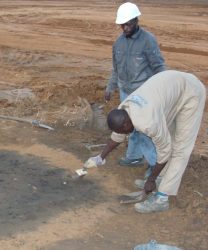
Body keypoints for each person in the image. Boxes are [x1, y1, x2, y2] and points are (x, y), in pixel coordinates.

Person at [85, 70, 206, 213]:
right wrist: (100, 157)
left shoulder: (148, 123)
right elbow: (118, 135)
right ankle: (161, 180)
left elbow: (165, 151)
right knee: (169, 139)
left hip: (190, 94)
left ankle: (162, 198)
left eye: (124, 132)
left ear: (126, 125)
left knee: (180, 149)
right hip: (172, 90)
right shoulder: (125, 108)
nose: (125, 135)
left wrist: (151, 179)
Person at [105, 2, 167, 167]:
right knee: (129, 129)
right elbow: (116, 69)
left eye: (128, 24)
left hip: (144, 94)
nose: (125, 28)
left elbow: (159, 66)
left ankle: (155, 166)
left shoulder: (148, 41)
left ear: (136, 20)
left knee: (145, 133)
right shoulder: (118, 43)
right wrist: (111, 87)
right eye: (122, 25)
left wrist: (162, 91)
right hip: (126, 93)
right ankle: (134, 156)